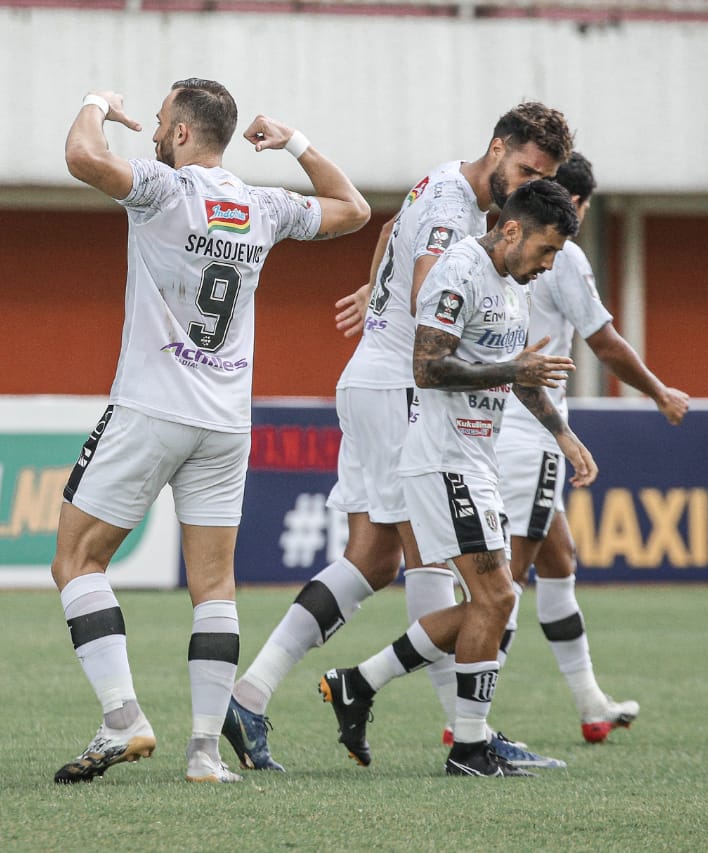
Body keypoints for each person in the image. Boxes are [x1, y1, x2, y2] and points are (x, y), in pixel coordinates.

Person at [223, 103, 574, 772]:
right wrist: (401, 305)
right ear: (497, 147)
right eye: (527, 168)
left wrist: (372, 289)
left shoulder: (445, 183)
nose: (530, 184)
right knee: (438, 565)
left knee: (373, 560)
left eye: (544, 175)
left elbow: (390, 230)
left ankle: (252, 692)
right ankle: (466, 735)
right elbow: (430, 301)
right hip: (400, 390)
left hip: (376, 380)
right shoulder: (455, 208)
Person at [52, 79, 369, 785]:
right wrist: (296, 143)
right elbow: (354, 208)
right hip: (226, 421)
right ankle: (203, 752)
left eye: (162, 122)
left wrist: (97, 103)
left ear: (185, 134)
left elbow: (82, 157)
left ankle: (122, 716)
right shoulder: (260, 205)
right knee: (216, 585)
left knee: (77, 559)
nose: (155, 132)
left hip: (151, 406)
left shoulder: (164, 190)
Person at [318, 179, 593, 778]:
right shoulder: (459, 268)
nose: (547, 266)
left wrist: (563, 435)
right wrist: (511, 365)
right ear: (513, 230)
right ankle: (469, 746)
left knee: (490, 600)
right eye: (546, 251)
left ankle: (359, 682)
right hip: (441, 459)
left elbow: (518, 378)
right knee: (496, 596)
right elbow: (427, 366)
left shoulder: (513, 288)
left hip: (476, 460)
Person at [495, 153, 689, 742]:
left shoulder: (498, 240)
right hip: (531, 431)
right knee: (504, 585)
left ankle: (590, 704)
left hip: (502, 425)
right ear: (577, 206)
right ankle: (461, 720)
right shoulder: (564, 252)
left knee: (559, 560)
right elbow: (602, 342)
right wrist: (658, 391)